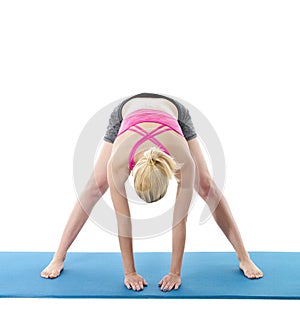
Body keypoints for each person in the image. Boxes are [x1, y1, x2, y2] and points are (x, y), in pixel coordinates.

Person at [41, 92, 263, 291]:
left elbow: (179, 221)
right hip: (126, 114)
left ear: (169, 174)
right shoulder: (117, 163)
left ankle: (244, 257)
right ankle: (58, 257)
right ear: (132, 172)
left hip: (174, 113)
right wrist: (129, 272)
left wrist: (175, 273)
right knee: (95, 186)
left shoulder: (183, 161)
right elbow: (123, 221)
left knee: (206, 185)